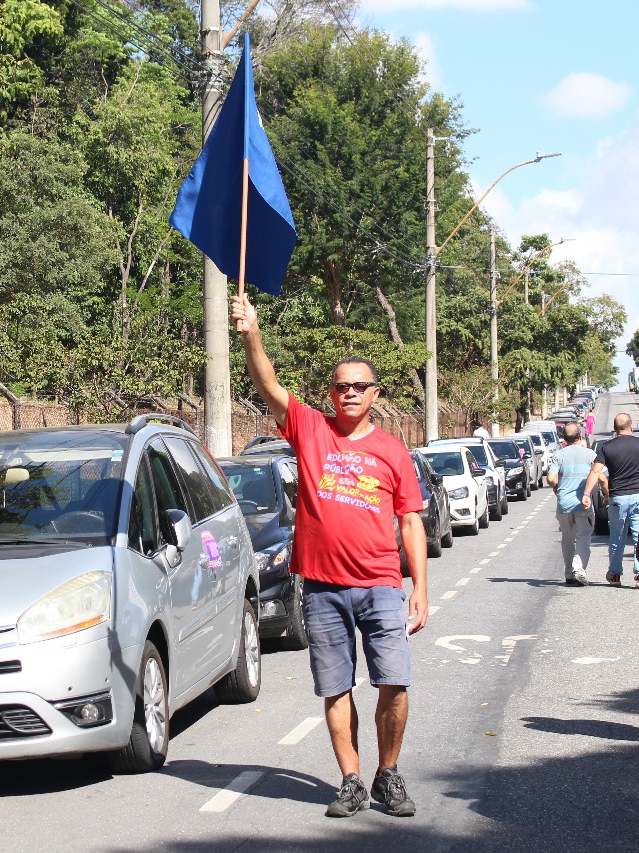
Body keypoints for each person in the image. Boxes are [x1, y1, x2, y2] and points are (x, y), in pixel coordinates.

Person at [230, 290, 428, 820]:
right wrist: (252, 335)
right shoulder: (310, 429)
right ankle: (351, 780)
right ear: (331, 393)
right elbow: (267, 384)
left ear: (375, 393)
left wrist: (421, 590)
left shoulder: (391, 450)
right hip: (321, 588)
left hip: (383, 585)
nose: (350, 394)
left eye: (360, 387)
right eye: (341, 387)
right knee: (336, 687)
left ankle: (387, 774)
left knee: (394, 682)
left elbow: (410, 520)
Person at [580, 413, 639, 589]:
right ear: (631, 427)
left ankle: (615, 574)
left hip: (618, 496)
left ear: (615, 429)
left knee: (617, 537)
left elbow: (595, 472)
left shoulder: (606, 447)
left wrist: (587, 494)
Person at [547, 422, 596, 586]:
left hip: (564, 505)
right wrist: (607, 494)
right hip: (584, 504)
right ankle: (578, 569)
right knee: (583, 536)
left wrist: (556, 488)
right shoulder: (590, 455)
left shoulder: (559, 455)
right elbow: (601, 477)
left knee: (567, 539)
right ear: (580, 436)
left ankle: (569, 573)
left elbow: (551, 478)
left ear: (564, 438)